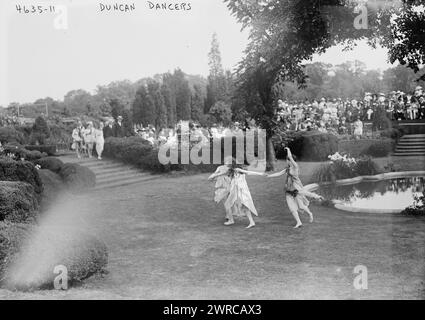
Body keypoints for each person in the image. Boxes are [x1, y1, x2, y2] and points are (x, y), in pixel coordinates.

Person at [267, 147, 323, 228]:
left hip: (296, 189)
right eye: (287, 160)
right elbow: (278, 173)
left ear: (291, 160)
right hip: (288, 190)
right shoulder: (287, 169)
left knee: (301, 206)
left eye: (288, 160)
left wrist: (288, 150)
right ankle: (299, 222)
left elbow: (305, 192)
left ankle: (310, 213)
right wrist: (269, 175)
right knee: (292, 208)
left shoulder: (295, 167)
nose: (287, 161)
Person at [208, 157, 264, 228]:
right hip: (235, 191)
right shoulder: (230, 171)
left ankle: (249, 221)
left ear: (231, 163)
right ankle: (250, 222)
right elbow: (221, 174)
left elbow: (248, 172)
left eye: (227, 162)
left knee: (243, 206)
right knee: (239, 206)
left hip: (241, 190)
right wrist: (214, 176)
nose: (226, 163)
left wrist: (261, 174)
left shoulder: (237, 169)